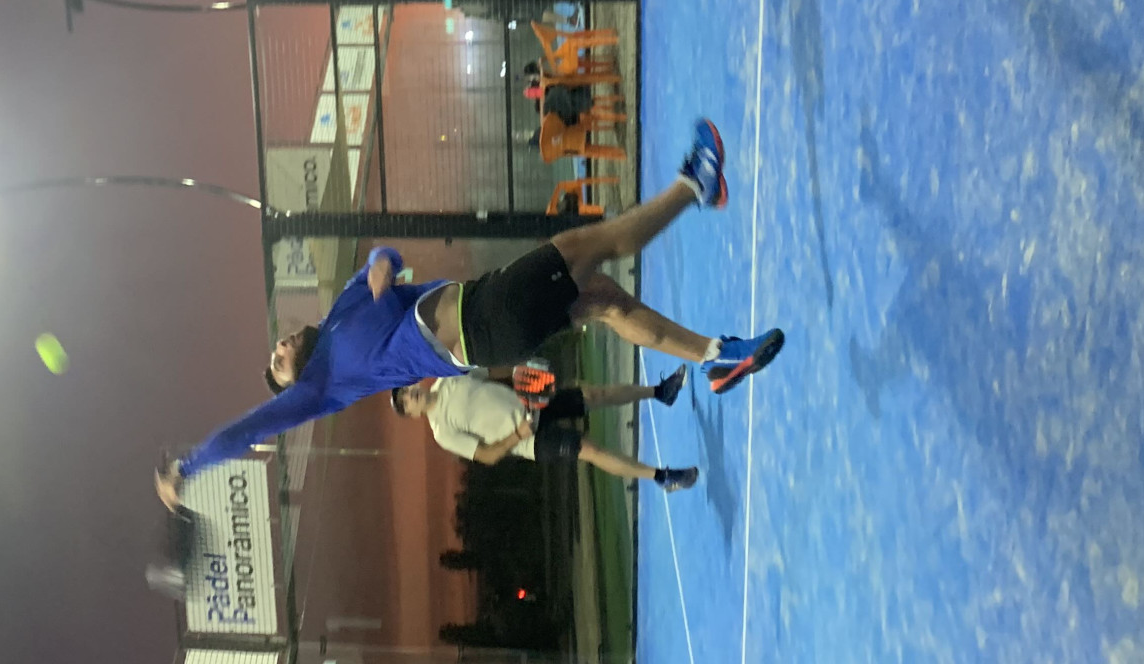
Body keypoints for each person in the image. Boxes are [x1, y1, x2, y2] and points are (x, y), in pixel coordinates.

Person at [154, 118, 785, 508]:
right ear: (294, 384)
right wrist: (189, 466)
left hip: (484, 312)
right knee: (594, 245)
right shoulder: (322, 385)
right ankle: (694, 183)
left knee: (604, 300)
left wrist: (380, 260)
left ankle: (716, 356)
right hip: (484, 322)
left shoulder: (343, 310)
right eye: (277, 364)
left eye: (275, 348)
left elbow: (387, 258)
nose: (279, 348)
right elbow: (247, 429)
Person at [391, 371, 699, 491]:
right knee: (590, 450)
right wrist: (518, 435)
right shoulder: (442, 431)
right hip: (530, 440)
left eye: (405, 391)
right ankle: (663, 477)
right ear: (413, 414)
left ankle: (660, 392)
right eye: (406, 403)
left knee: (595, 394)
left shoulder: (447, 379)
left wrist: (525, 377)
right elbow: (486, 455)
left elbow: (491, 375)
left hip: (533, 403)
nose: (410, 395)